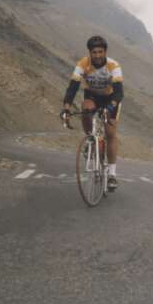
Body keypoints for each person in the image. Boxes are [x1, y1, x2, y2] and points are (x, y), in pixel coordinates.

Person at [61, 36, 124, 190]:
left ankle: (112, 175)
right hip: (92, 96)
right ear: (89, 53)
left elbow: (119, 93)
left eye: (100, 52)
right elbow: (73, 87)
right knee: (86, 108)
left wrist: (109, 108)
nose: (97, 55)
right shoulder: (83, 64)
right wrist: (66, 107)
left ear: (105, 52)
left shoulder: (113, 66)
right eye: (94, 52)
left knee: (110, 133)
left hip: (111, 99)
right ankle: (90, 139)